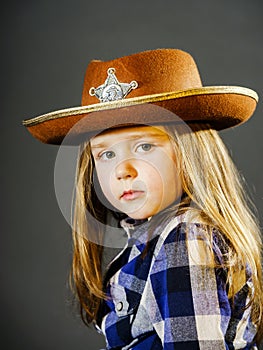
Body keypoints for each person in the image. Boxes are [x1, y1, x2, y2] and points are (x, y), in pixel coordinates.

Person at [23, 49, 263, 349]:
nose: (123, 170)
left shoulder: (183, 240)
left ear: (192, 153)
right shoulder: (155, 237)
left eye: (145, 147)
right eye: (107, 154)